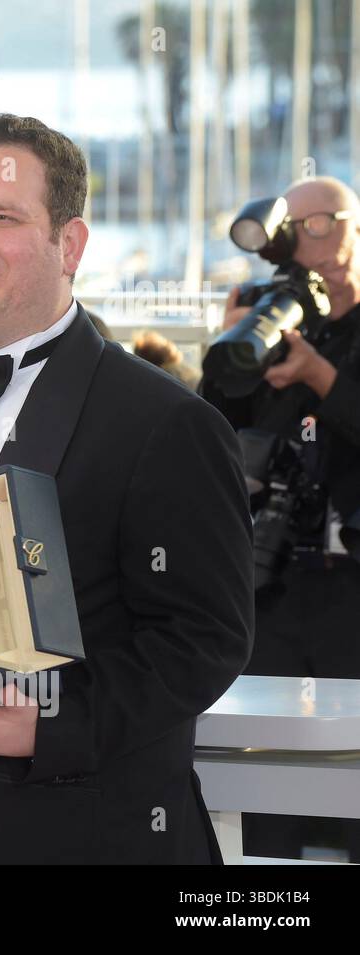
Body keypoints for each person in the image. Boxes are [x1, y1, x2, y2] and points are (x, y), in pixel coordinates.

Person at [0, 113, 253, 864]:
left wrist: (49, 724)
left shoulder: (164, 421)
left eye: (1, 217)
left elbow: (204, 640)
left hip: (65, 830)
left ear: (71, 243)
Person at [202, 175, 360, 862]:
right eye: (293, 228)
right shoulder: (273, 321)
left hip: (352, 589)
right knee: (265, 784)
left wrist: (322, 377)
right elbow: (210, 437)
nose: (307, 240)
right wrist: (229, 354)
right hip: (271, 581)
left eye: (322, 221)